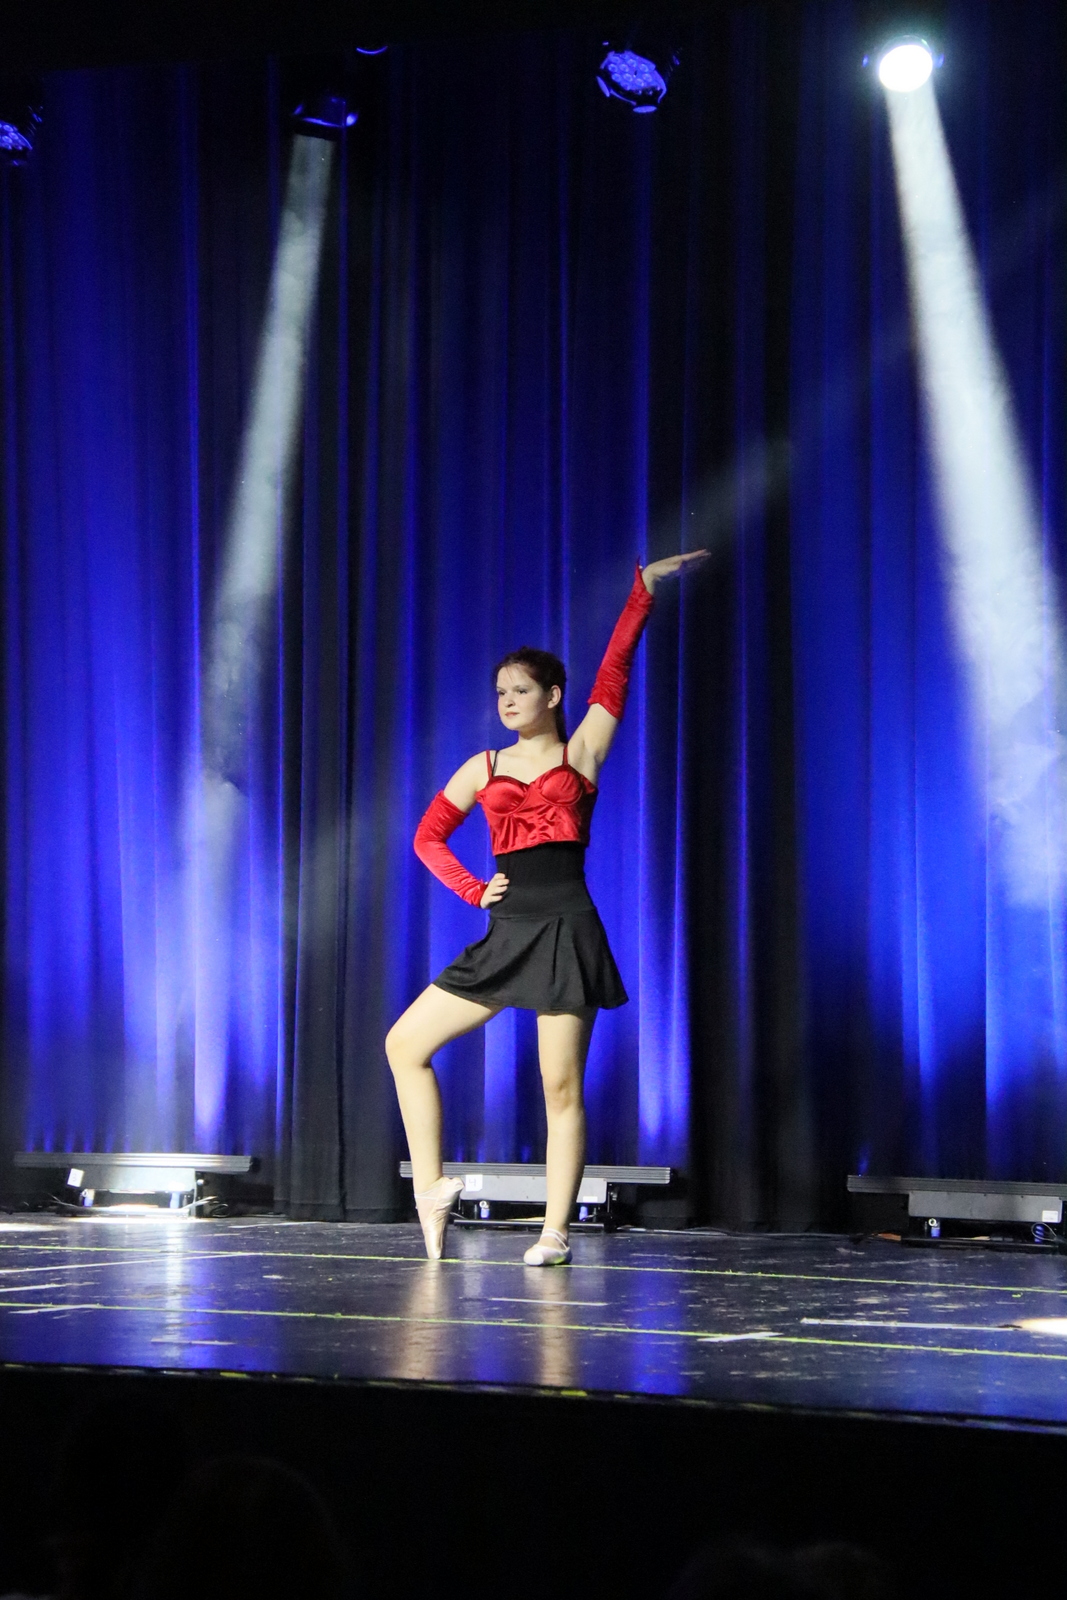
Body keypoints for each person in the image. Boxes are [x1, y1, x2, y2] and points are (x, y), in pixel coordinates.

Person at [386, 551, 707, 1264]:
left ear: (553, 696)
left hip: (565, 929)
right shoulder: (484, 767)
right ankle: (432, 1190)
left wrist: (641, 594)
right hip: (506, 932)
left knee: (559, 1088)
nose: (507, 701)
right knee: (404, 1045)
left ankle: (554, 1231)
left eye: (521, 690)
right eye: (500, 691)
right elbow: (427, 837)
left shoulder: (582, 752)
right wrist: (473, 888)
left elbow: (615, 673)